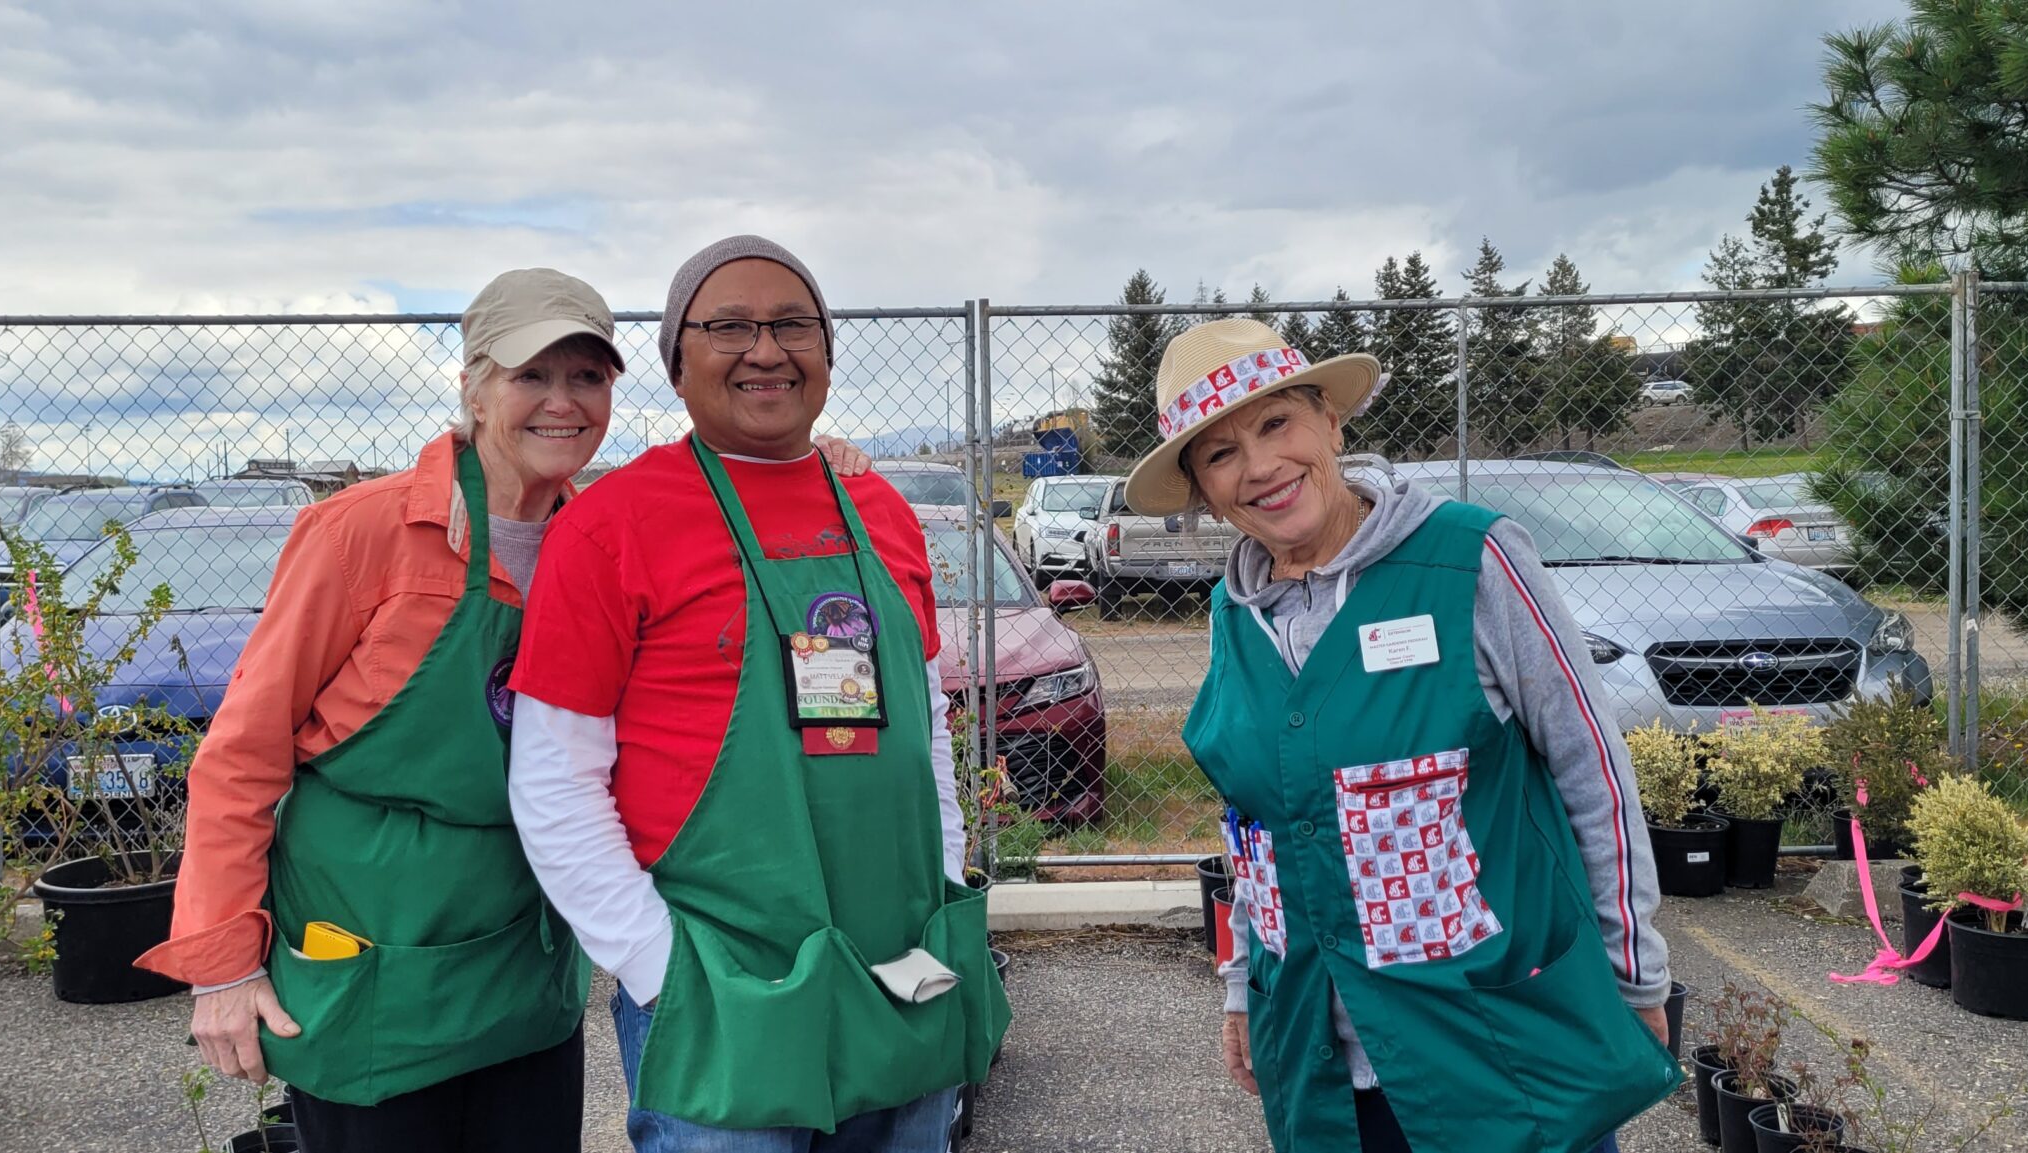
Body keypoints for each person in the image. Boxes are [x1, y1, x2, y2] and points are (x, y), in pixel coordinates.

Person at [134, 267, 870, 1153]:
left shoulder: (599, 535)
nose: (562, 402)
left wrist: (814, 458)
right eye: (532, 375)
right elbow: (242, 753)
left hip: (524, 966)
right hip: (372, 962)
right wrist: (223, 963)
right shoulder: (361, 535)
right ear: (474, 387)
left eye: (587, 377)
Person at [1126, 319, 1680, 1153]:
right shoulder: (1231, 620)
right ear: (1204, 492)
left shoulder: (1472, 561)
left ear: (1330, 422)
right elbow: (1250, 825)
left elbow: (1590, 766)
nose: (1262, 467)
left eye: (1277, 423)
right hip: (1323, 1058)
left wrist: (1634, 971)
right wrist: (1243, 985)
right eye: (1221, 453)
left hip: (1495, 1044)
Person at [507, 235, 1007, 1152]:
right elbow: (554, 778)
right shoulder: (612, 527)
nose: (766, 349)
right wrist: (658, 967)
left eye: (792, 324)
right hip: (721, 985)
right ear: (677, 359)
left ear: (825, 348)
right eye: (729, 325)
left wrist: (939, 889)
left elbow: (927, 728)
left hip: (906, 960)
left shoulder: (884, 513)